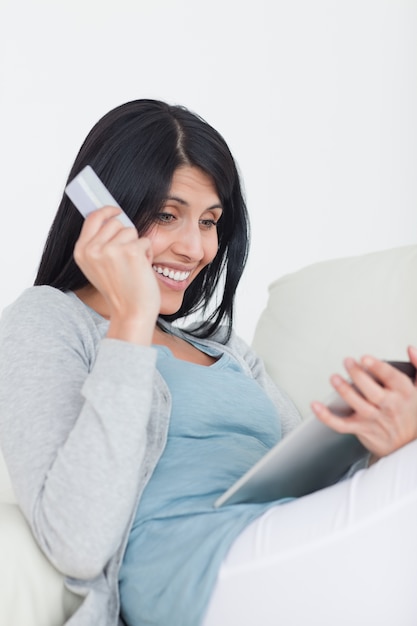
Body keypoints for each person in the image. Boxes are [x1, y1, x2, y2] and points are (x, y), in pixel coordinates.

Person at [0, 99, 416, 626]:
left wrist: (390, 450)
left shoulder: (226, 347)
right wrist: (132, 318)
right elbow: (77, 542)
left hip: (289, 546)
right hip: (191, 569)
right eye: (168, 215)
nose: (195, 247)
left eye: (210, 221)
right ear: (105, 215)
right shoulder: (48, 319)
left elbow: (321, 492)